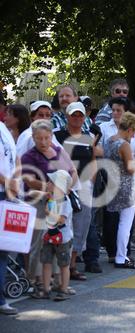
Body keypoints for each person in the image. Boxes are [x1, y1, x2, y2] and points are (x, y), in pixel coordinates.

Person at [21, 119, 77, 294]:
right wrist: (49, 188)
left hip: (60, 202)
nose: (43, 142)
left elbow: (73, 172)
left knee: (60, 239)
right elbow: (28, 180)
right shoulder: (29, 156)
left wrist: (67, 188)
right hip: (39, 201)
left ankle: (57, 280)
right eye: (39, 138)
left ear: (52, 136)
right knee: (39, 241)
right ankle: (37, 280)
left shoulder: (59, 151)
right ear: (33, 138)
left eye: (46, 138)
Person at [54, 101, 97, 280]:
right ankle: (60, 267)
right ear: (67, 116)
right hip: (65, 185)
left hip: (85, 185)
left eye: (80, 115)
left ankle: (72, 265)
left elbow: (93, 159)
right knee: (65, 225)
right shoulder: (58, 136)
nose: (78, 118)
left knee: (82, 225)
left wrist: (91, 181)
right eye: (74, 115)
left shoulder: (88, 136)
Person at [105, 112, 135, 269]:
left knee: (115, 223)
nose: (134, 135)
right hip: (126, 187)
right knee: (125, 225)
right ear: (130, 129)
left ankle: (115, 254)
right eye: (134, 132)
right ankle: (121, 257)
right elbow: (130, 168)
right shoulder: (124, 144)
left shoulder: (109, 141)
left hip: (112, 185)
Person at [38, 170, 74, 301]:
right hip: (48, 235)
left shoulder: (65, 202)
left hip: (63, 238)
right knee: (46, 262)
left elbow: (62, 220)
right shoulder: (50, 198)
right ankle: (46, 289)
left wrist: (49, 213)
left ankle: (63, 289)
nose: (47, 184)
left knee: (64, 264)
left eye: (51, 182)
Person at [0, 119, 21, 315]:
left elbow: (15, 158)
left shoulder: (3, 129)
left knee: (3, 248)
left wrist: (15, 180)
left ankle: (1, 299)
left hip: (6, 194)